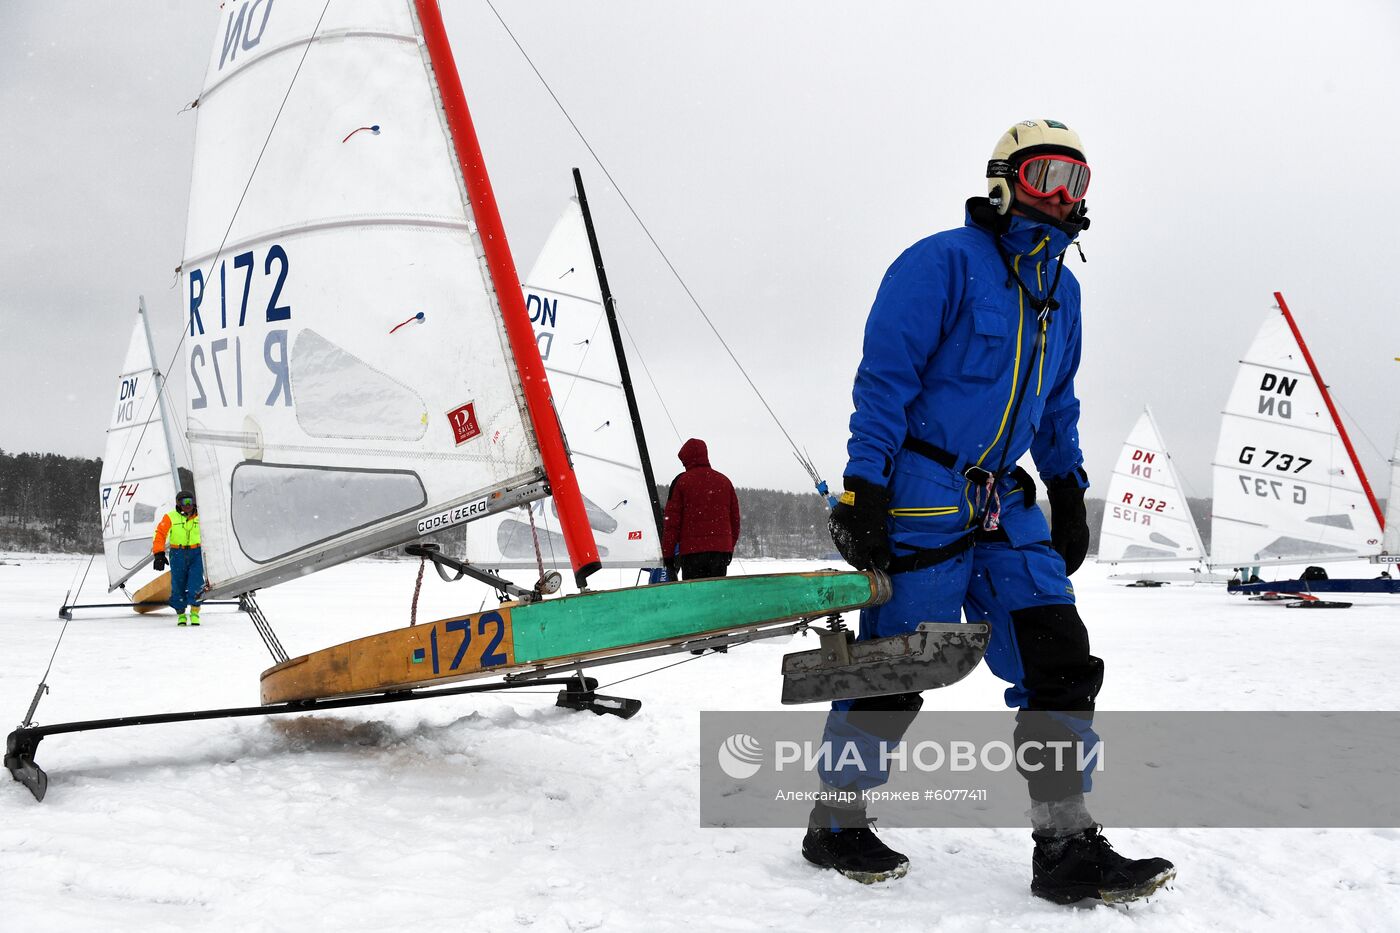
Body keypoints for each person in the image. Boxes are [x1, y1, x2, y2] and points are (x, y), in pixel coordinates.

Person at [804, 120, 1175, 905]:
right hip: (921, 496)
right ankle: (836, 821)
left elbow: (1056, 400)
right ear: (1005, 180)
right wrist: (863, 485)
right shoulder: (939, 264)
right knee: (895, 670)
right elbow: (884, 381)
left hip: (1007, 503)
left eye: (1078, 182)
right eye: (1049, 176)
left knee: (1060, 656)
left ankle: (1066, 842)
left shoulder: (1061, 291)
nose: (1065, 197)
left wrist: (1068, 485)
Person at [661, 438, 741, 581]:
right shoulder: (724, 481)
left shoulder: (681, 483)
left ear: (686, 459)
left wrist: (668, 555)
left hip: (692, 554)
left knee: (694, 597)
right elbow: (735, 521)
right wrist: (728, 548)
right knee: (716, 595)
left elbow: (671, 524)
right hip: (720, 552)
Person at [152, 490, 203, 626]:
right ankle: (181, 614)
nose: (187, 505)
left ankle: (194, 612)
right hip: (177, 553)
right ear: (178, 504)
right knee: (178, 585)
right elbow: (160, 535)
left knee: (196, 584)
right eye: (184, 502)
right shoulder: (170, 517)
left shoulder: (202, 516)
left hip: (196, 553)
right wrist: (159, 554)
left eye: (190, 501)